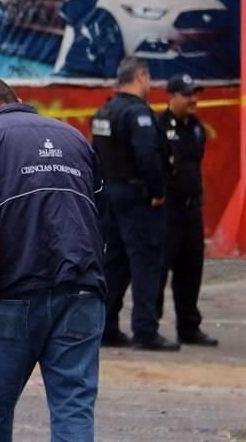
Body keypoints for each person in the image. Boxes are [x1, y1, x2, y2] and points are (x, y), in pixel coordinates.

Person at [0, 77, 105, 441]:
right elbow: (99, 207)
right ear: (18, 99)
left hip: (15, 292)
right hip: (84, 290)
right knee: (74, 408)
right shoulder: (73, 137)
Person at [91, 57, 179, 351]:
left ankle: (106, 327)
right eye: (149, 77)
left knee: (114, 262)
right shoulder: (138, 113)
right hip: (137, 197)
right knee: (146, 263)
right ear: (141, 76)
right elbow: (147, 155)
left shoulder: (104, 110)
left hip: (110, 195)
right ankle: (145, 330)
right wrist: (158, 190)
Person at [156, 74, 218, 347]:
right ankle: (150, 327)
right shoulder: (159, 126)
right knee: (159, 270)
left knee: (191, 270)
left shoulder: (196, 128)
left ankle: (189, 327)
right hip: (167, 211)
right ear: (172, 96)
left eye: (195, 93)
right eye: (188, 94)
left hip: (192, 210)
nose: (194, 99)